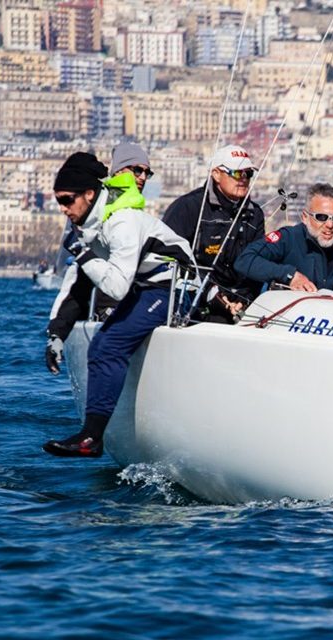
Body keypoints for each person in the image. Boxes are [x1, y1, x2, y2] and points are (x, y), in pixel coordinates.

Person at [43, 151, 195, 458]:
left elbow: (115, 286)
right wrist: (56, 333)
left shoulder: (122, 221)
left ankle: (91, 438)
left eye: (67, 200)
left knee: (107, 345)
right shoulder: (89, 224)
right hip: (148, 288)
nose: (62, 209)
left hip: (177, 288)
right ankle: (92, 434)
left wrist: (83, 255)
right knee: (101, 346)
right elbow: (79, 283)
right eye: (58, 201)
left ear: (88, 194)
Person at [45, 142, 155, 359]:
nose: (142, 177)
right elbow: (77, 278)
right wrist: (56, 331)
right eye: (137, 170)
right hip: (107, 308)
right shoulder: (100, 211)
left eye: (147, 172)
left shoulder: (133, 211)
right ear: (118, 172)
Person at [162, 144, 265, 323]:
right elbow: (169, 257)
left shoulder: (254, 214)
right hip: (194, 301)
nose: (243, 179)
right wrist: (212, 293)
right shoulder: (188, 207)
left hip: (241, 302)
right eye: (236, 173)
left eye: (248, 174)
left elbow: (258, 261)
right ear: (216, 174)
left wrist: (244, 297)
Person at [234, 183, 333, 299]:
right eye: (321, 217)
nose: (330, 225)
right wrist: (290, 275)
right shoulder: (288, 238)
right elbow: (244, 260)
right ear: (305, 217)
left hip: (331, 327)